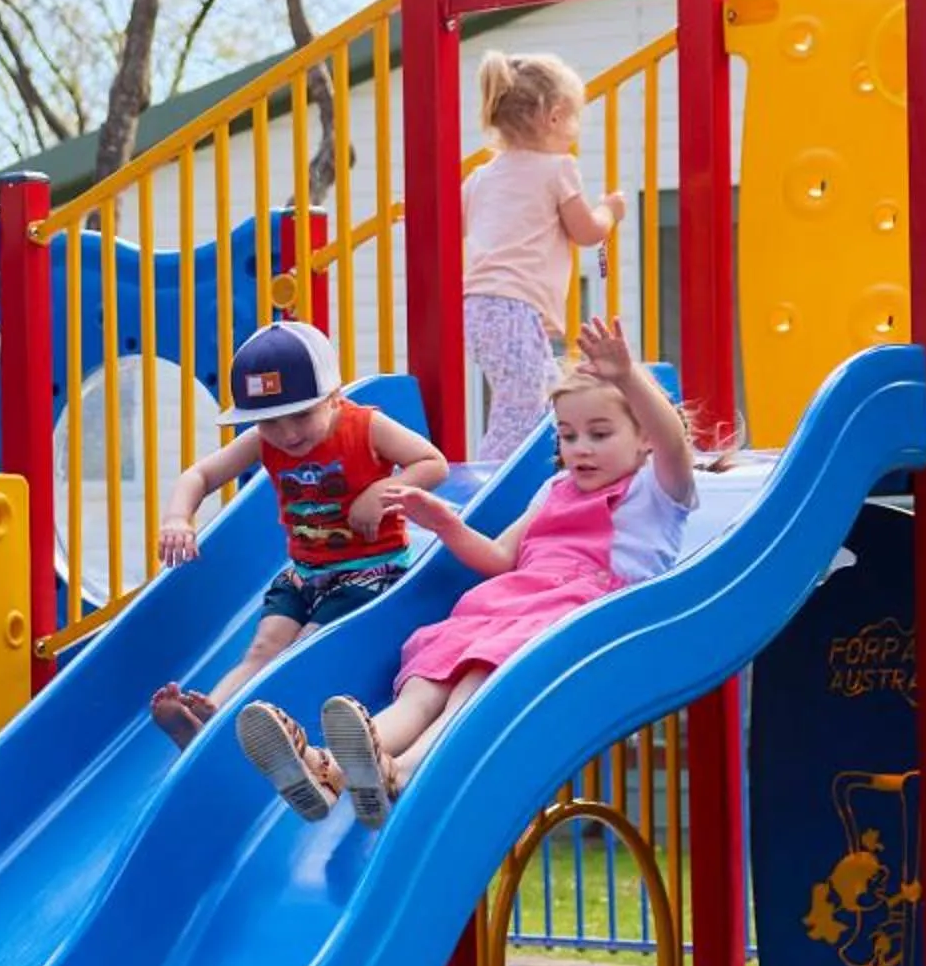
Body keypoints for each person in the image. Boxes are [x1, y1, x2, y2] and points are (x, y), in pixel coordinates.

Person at [235, 316, 697, 828]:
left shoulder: (656, 492)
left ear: (644, 440)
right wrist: (444, 522)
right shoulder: (554, 491)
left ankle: (406, 770)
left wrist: (628, 376)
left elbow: (674, 441)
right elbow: (500, 558)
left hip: (582, 617)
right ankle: (331, 767)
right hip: (510, 603)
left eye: (600, 433)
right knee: (427, 679)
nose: (579, 447)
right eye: (567, 435)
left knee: (474, 676)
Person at [143, 320, 448, 746]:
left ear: (333, 397)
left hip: (369, 571)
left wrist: (381, 490)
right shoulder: (263, 441)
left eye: (301, 415)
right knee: (263, 648)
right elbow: (200, 474)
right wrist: (177, 518)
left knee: (301, 646)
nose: (287, 434)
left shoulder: (366, 428)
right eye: (270, 422)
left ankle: (276, 732)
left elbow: (432, 463)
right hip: (304, 573)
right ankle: (206, 718)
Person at [464, 51, 630, 460]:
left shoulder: (482, 176)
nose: (575, 130)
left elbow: (458, 224)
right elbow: (587, 231)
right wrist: (611, 210)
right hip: (511, 307)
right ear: (555, 117)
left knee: (542, 394)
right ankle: (491, 478)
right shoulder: (558, 168)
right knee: (524, 405)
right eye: (574, 118)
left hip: (480, 306)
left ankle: (537, 470)